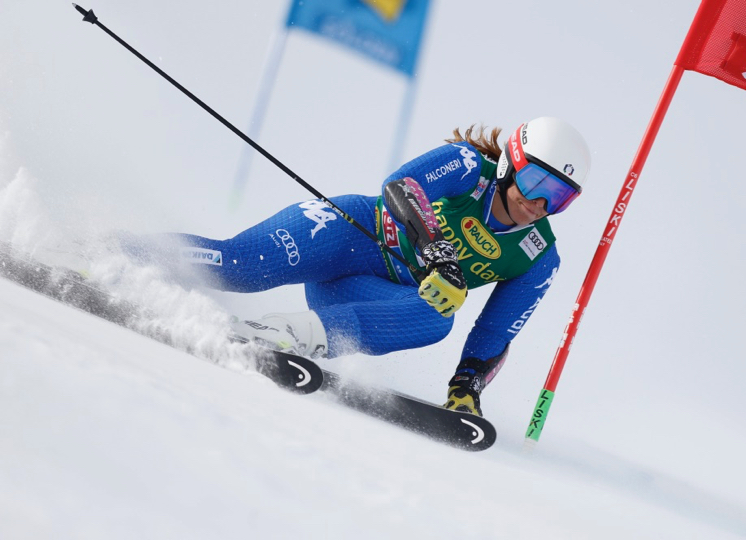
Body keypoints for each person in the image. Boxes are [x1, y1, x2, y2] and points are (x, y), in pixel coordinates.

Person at [134, 117, 590, 416]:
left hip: (361, 298)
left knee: (438, 319)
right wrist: (435, 250)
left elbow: (495, 331)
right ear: (511, 163)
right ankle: (119, 252)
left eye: (559, 197)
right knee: (237, 267)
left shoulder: (538, 256)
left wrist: (466, 389)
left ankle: (288, 335)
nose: (538, 203)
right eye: (535, 182)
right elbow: (400, 186)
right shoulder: (470, 167)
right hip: (344, 235)